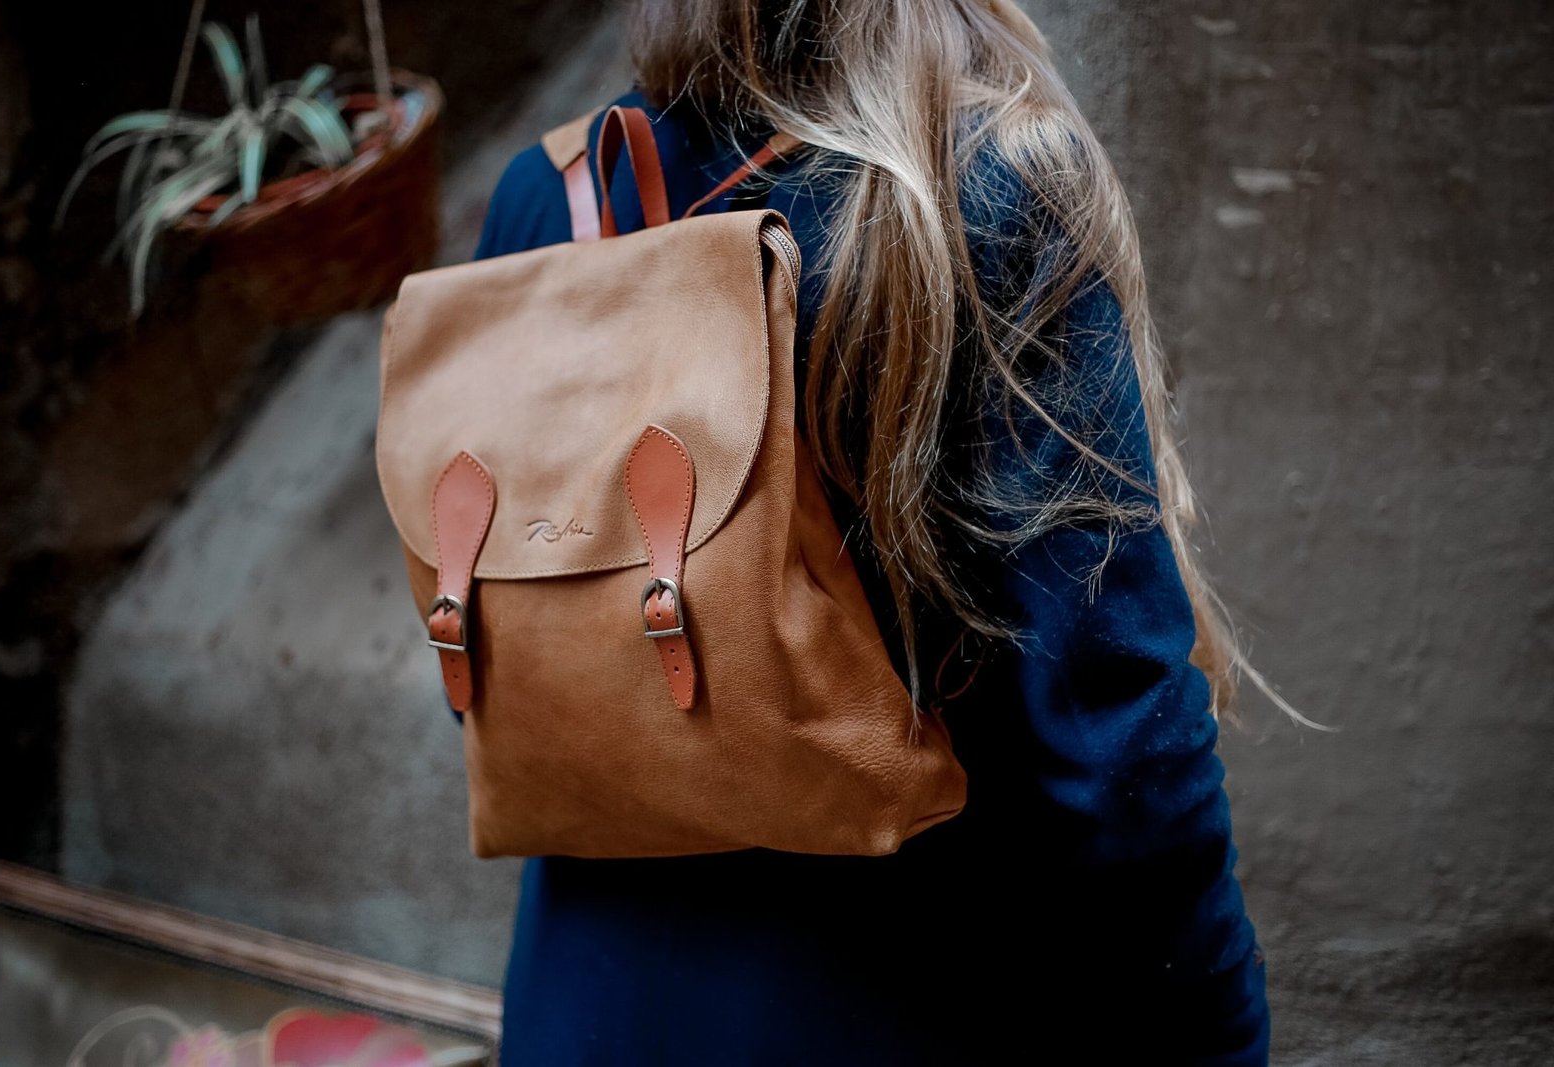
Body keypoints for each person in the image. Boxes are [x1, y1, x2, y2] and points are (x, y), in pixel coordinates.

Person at [472, 1, 1272, 1062]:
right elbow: (1121, 754)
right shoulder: (979, 186)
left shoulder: (544, 198)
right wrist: (1219, 1036)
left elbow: (530, 660)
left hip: (584, 1008)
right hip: (904, 1012)